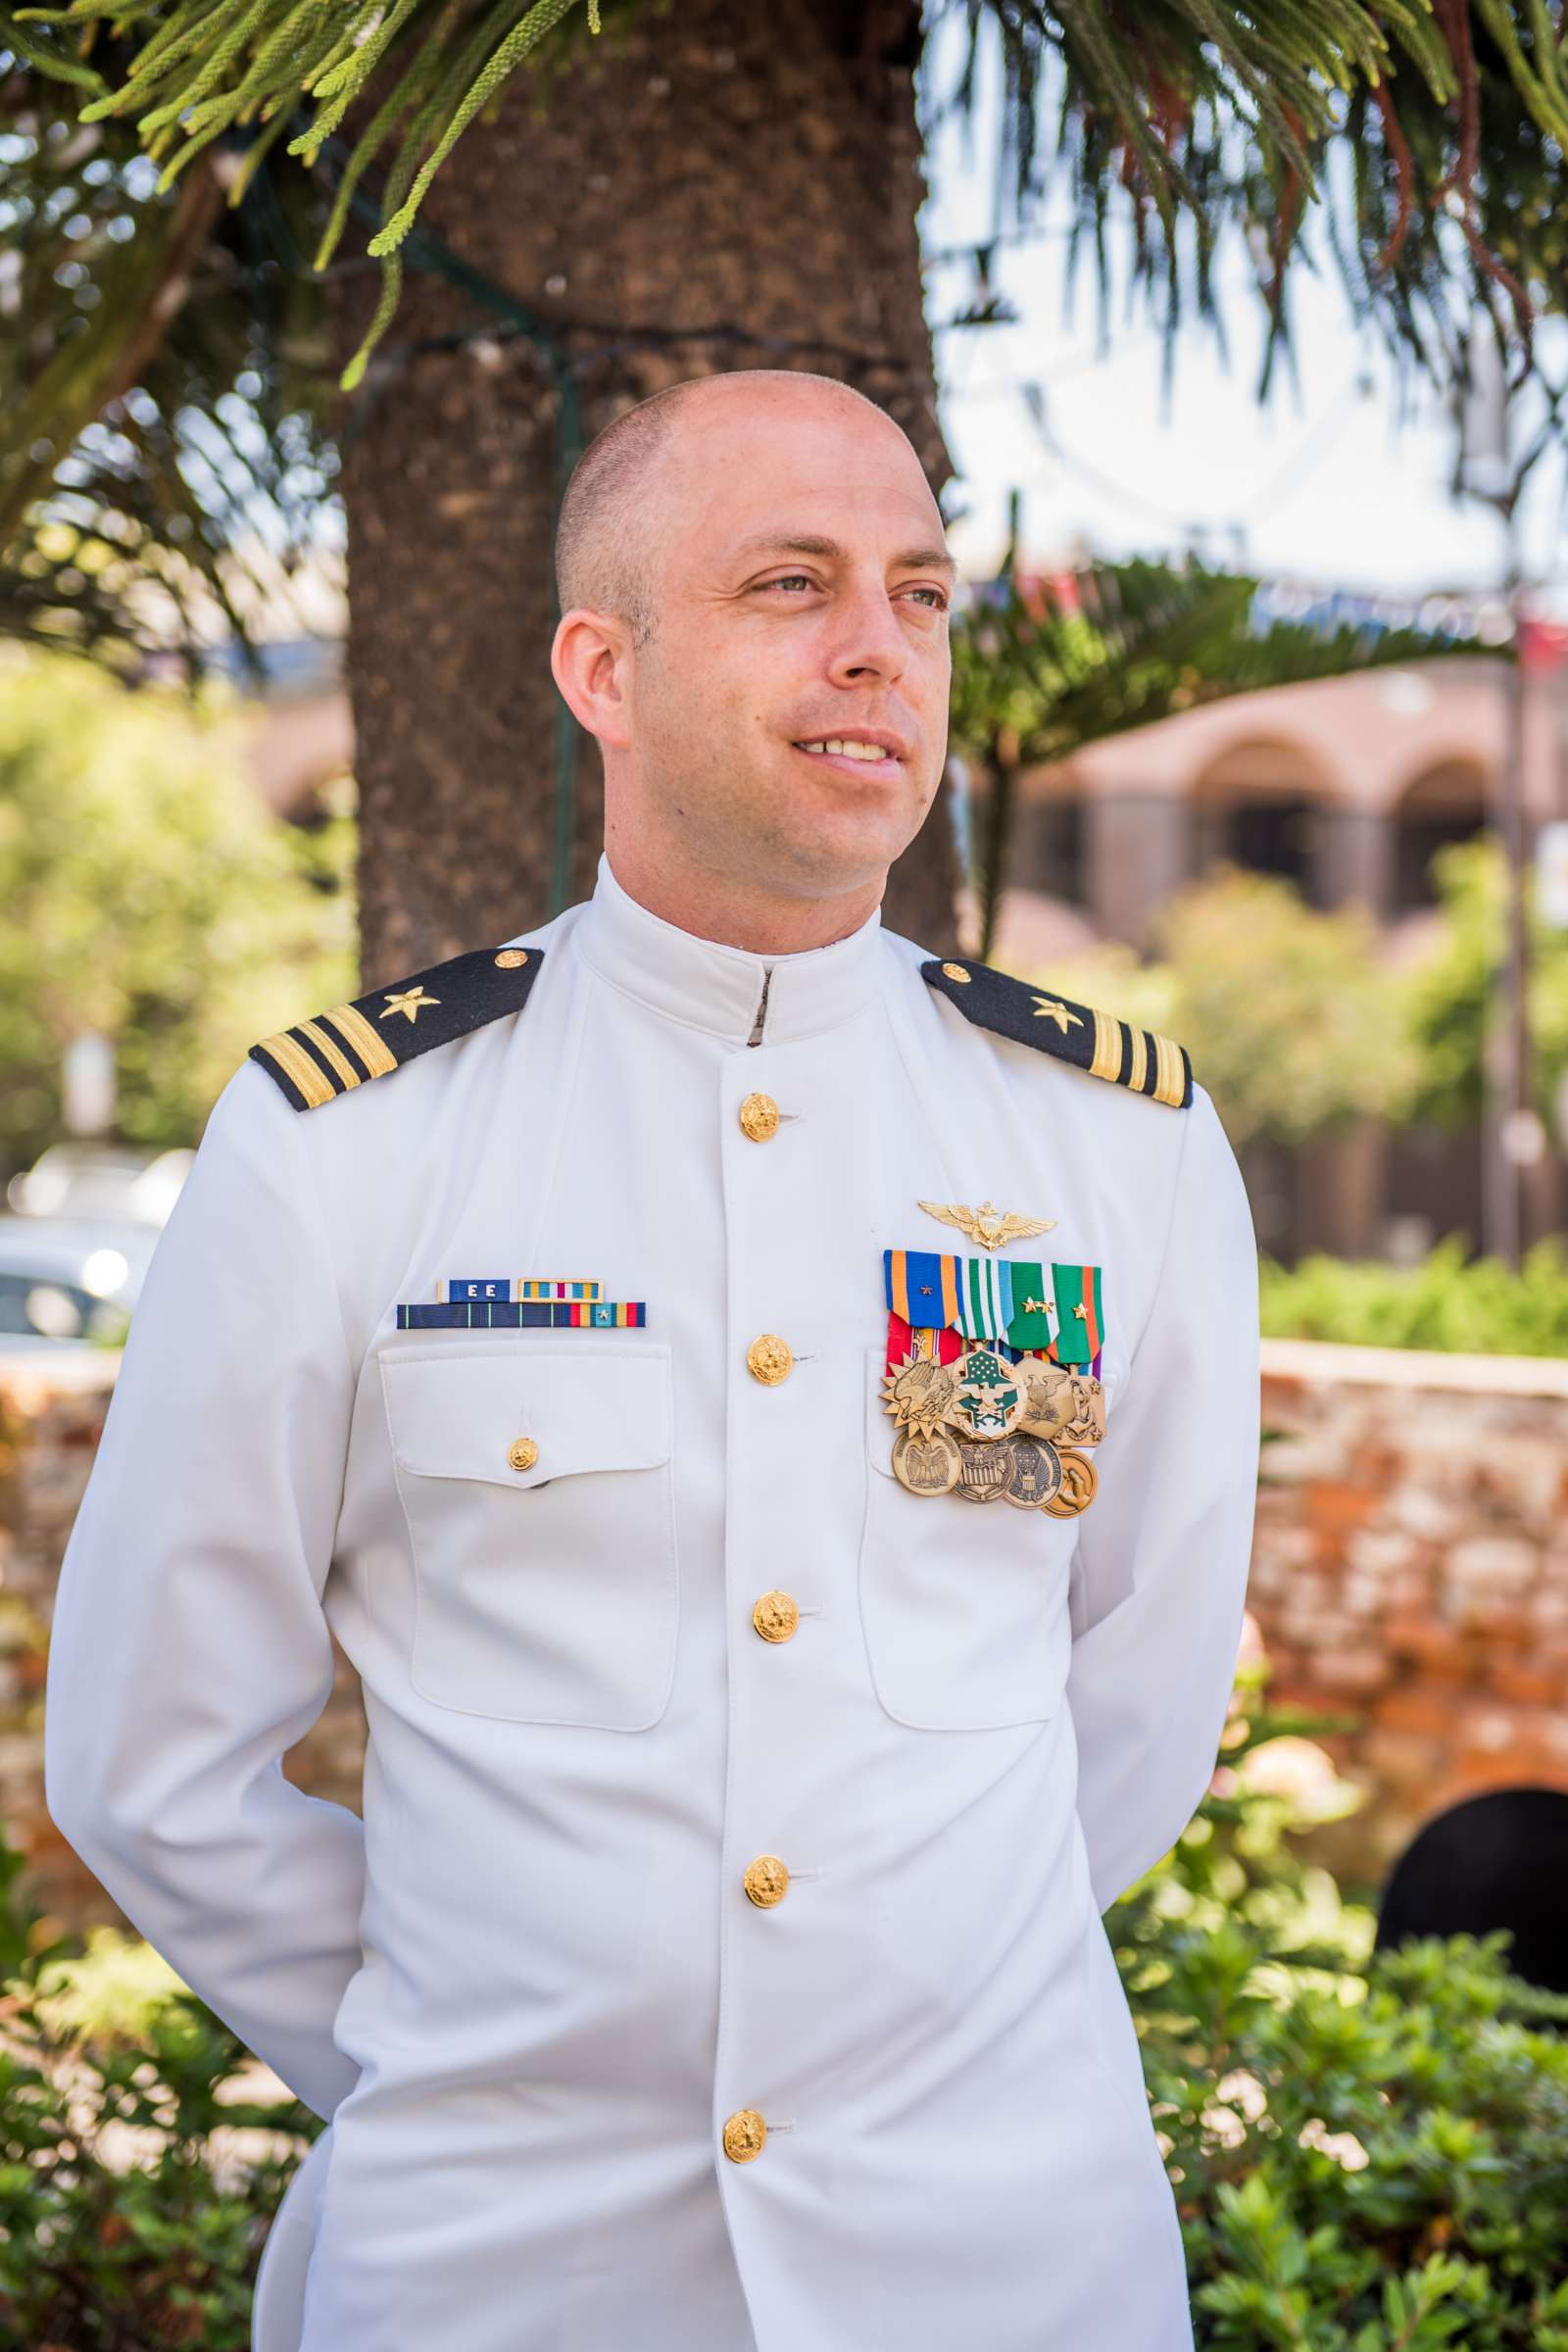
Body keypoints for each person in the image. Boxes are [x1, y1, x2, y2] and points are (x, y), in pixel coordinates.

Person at [43, 368, 1261, 2352]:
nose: (878, 645)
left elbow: (1129, 1712)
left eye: (920, 593)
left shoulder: (1112, 1147)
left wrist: (893, 2017)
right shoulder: (352, 1143)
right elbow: (149, 1752)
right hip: (498, 2281)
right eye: (790, 583)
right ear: (600, 668)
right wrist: (486, 2043)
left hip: (999, 2274)